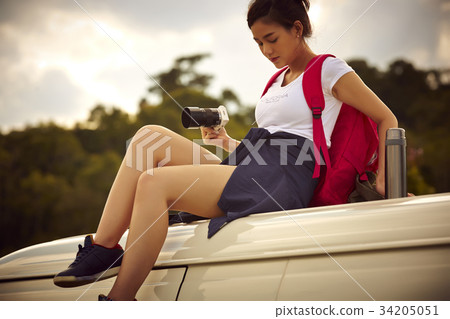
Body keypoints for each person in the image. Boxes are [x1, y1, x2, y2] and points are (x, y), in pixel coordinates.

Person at [53, 0, 398, 300]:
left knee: (153, 183)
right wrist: (225, 143)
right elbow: (270, 138)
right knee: (148, 139)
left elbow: (387, 118)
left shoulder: (327, 68)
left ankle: (120, 300)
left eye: (271, 39)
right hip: (254, 164)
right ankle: (104, 248)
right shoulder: (275, 81)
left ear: (297, 29)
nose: (266, 50)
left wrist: (385, 179)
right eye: (258, 43)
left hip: (287, 175)